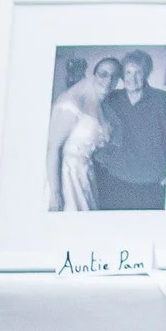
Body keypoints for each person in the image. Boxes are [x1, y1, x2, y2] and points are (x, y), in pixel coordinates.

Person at [46, 55, 120, 213]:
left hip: (86, 174)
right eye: (103, 74)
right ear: (93, 75)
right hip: (64, 175)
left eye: (113, 76)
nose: (108, 80)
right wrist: (55, 193)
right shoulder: (71, 103)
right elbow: (53, 147)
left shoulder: (103, 110)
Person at [100, 53, 166, 210]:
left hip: (151, 180)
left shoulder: (161, 99)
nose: (132, 78)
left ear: (146, 74)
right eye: (128, 72)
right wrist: (104, 161)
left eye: (138, 72)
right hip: (116, 178)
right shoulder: (112, 98)